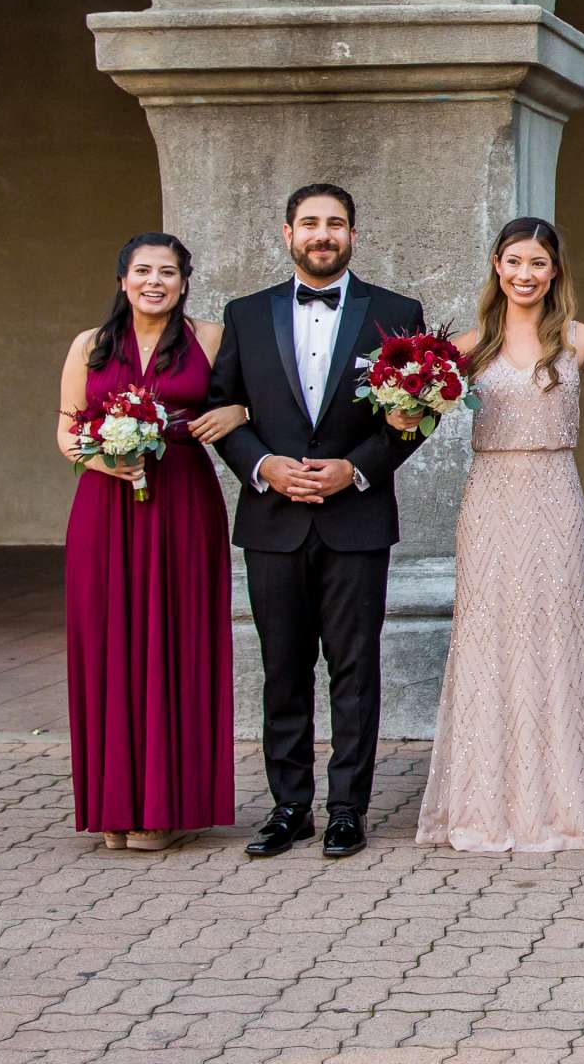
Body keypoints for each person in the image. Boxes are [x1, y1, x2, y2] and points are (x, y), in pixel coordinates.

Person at [413, 217, 584, 852]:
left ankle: (565, 803)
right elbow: (409, 414)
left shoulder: (580, 341)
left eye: (538, 264)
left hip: (554, 493)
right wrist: (406, 400)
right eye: (514, 262)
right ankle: (483, 805)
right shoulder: (467, 347)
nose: (526, 275)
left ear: (555, 272)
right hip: (491, 497)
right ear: (497, 266)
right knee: (489, 637)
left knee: (556, 635)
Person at [206, 183, 428, 861]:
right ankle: (289, 807)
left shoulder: (395, 313)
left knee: (355, 669)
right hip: (272, 520)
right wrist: (262, 465)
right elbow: (222, 410)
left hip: (355, 518)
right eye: (310, 223)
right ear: (287, 233)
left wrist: (356, 468)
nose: (322, 234)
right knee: (283, 668)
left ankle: (346, 811)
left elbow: (419, 413)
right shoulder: (245, 315)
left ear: (354, 235)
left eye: (335, 224)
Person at [55, 233, 246, 851]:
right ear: (122, 281)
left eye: (168, 272)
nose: (154, 282)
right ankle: (115, 806)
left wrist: (237, 415)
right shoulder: (91, 345)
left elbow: (248, 402)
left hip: (183, 507)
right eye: (142, 271)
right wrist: (99, 460)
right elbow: (65, 428)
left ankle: (165, 806)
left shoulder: (211, 338)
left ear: (185, 282)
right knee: (107, 645)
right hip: (104, 509)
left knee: (176, 642)